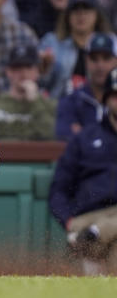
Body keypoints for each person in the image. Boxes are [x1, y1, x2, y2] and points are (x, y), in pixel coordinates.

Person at [49, 67, 117, 275]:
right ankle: (94, 233)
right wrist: (68, 220)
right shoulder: (85, 138)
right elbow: (58, 189)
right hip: (88, 216)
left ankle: (97, 235)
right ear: (106, 99)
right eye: (115, 95)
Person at [40, 0, 114, 99]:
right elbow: (41, 85)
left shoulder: (112, 42)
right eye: (75, 10)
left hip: (99, 108)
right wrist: (43, 70)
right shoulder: (51, 42)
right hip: (58, 106)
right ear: (67, 15)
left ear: (97, 14)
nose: (81, 15)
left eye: (87, 9)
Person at [55, 33, 117, 140]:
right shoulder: (71, 101)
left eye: (106, 58)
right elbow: (64, 135)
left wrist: (83, 133)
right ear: (86, 61)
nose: (100, 65)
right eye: (94, 59)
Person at [0, 45, 56, 141]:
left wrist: (34, 102)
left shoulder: (49, 106)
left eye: (28, 67)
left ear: (37, 71)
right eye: (17, 68)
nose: (23, 73)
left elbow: (52, 136)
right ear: (8, 71)